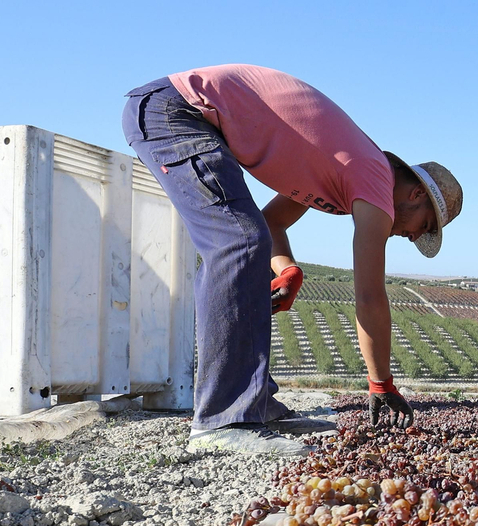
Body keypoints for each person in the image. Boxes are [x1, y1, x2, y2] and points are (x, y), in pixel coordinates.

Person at [121, 65, 459, 455]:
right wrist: (380, 383)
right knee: (238, 242)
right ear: (416, 194)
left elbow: (272, 223)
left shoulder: (346, 169)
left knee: (246, 237)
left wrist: (288, 269)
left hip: (182, 112)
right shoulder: (374, 180)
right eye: (425, 226)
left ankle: (256, 406)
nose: (414, 236)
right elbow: (369, 297)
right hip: (175, 111)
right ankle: (223, 418)